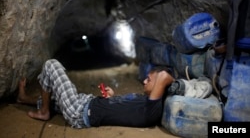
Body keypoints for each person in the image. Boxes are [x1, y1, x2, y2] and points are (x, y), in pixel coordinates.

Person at [17, 59, 174, 129]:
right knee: (53, 99)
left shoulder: (154, 109)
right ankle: (25, 99)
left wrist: (175, 83)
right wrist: (112, 96)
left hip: (79, 111)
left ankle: (44, 112)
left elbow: (164, 76)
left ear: (160, 86)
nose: (145, 81)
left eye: (149, 79)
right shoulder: (145, 102)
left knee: (51, 65)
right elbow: (123, 111)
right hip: (86, 102)